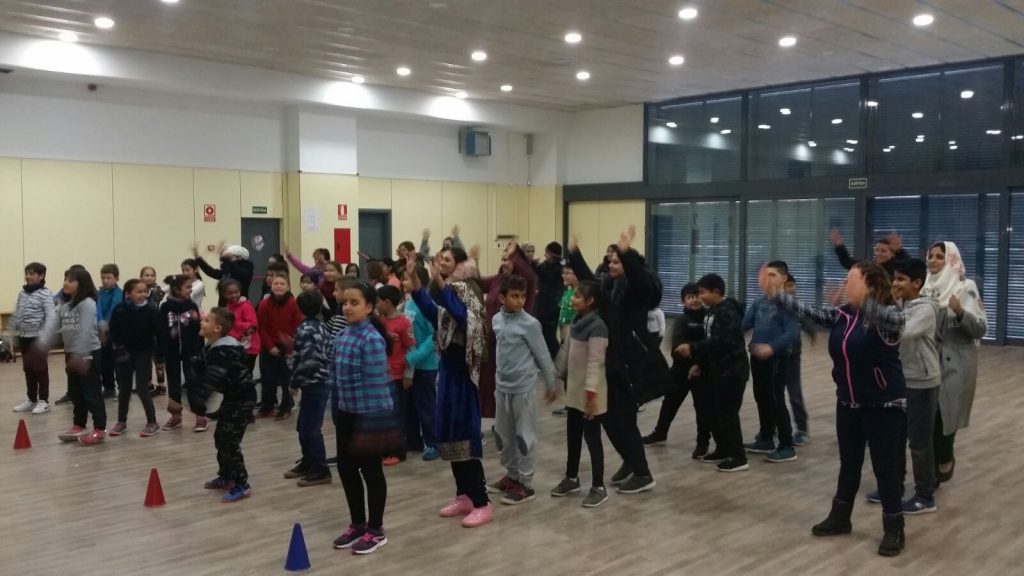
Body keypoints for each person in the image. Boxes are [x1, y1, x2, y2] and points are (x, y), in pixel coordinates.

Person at [771, 261, 908, 557]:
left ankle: (894, 527)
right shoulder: (845, 313)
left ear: (869, 285)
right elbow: (814, 314)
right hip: (848, 402)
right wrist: (778, 295)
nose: (846, 284)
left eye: (851, 280)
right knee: (849, 462)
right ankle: (840, 517)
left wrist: (864, 303)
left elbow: (897, 321)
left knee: (885, 468)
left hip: (884, 404)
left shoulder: (889, 314)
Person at [406, 247, 493, 528]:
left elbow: (463, 317)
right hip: (447, 370)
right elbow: (434, 314)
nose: (441, 262)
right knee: (450, 436)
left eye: (447, 259)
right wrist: (416, 282)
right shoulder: (446, 289)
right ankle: (463, 496)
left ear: (459, 264)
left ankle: (482, 502)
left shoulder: (467, 287)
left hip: (463, 373)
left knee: (465, 436)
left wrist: (439, 284)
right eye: (440, 258)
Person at [565, 229, 657, 493]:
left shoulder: (637, 291)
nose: (611, 264)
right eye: (611, 261)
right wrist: (574, 254)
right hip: (611, 365)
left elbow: (640, 280)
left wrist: (626, 253)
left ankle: (643, 473)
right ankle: (631, 461)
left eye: (617, 262)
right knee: (610, 420)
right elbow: (590, 283)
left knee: (624, 421)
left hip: (628, 366)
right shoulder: (610, 289)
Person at [862, 258, 939, 514]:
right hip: (900, 380)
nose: (895, 283)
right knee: (895, 439)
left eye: (901, 279)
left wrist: (874, 306)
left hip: (922, 382)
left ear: (917, 283)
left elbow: (902, 332)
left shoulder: (926, 309)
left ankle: (925, 496)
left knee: (919, 442)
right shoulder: (900, 307)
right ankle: (894, 487)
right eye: (894, 278)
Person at [330, 281, 397, 555]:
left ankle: (376, 529)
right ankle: (357, 523)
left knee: (371, 472)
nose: (347, 307)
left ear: (369, 307)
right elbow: (336, 376)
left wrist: (373, 422)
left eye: (354, 302)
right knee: (346, 469)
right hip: (346, 413)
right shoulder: (342, 336)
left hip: (370, 416)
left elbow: (378, 384)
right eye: (345, 302)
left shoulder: (371, 339)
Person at [487, 275, 558, 505]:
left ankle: (526, 485)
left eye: (523, 296)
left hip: (523, 390)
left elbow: (543, 355)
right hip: (502, 388)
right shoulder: (497, 320)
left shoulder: (530, 324)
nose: (519, 301)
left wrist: (551, 384)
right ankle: (512, 476)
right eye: (514, 296)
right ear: (502, 298)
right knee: (504, 437)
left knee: (524, 437)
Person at [922, 241, 987, 486]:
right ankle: (929, 476)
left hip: (956, 364)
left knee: (943, 418)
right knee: (928, 419)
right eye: (931, 256)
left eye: (940, 256)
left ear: (951, 259)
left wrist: (960, 313)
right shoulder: (923, 287)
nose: (933, 260)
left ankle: (944, 457)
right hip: (927, 362)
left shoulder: (965, 288)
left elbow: (980, 329)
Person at [677, 273, 750, 473]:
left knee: (728, 414)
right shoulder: (712, 311)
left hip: (732, 371)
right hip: (719, 370)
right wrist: (700, 363)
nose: (700, 297)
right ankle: (724, 449)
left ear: (716, 292)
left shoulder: (727, 312)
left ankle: (738, 457)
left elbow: (721, 342)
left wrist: (693, 347)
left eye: (703, 292)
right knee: (718, 413)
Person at [551, 280, 610, 507]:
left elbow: (596, 362)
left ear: (590, 301)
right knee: (573, 436)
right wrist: (556, 377)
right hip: (575, 393)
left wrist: (591, 395)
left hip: (591, 395)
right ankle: (571, 478)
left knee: (593, 440)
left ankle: (598, 487)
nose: (573, 299)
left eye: (577, 296)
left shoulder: (598, 327)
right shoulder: (577, 321)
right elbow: (566, 351)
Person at [193, 307, 258, 503]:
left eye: (207, 320)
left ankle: (242, 484)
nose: (202, 322)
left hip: (242, 400)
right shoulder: (215, 346)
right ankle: (227, 476)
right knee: (221, 437)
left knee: (230, 442)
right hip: (232, 397)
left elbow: (213, 378)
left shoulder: (223, 351)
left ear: (217, 328)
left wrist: (199, 402)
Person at [643, 283, 713, 459]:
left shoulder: (708, 319)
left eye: (697, 296)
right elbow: (676, 347)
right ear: (683, 301)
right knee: (670, 402)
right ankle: (660, 432)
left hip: (702, 371)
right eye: (690, 297)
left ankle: (703, 442)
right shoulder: (682, 320)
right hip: (680, 369)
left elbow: (711, 345)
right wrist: (690, 361)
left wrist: (698, 363)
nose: (695, 300)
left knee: (702, 407)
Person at [742, 261, 801, 463]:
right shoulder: (759, 302)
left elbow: (791, 333)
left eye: (773, 275)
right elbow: (744, 324)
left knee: (776, 400)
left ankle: (786, 445)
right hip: (757, 357)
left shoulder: (789, 303)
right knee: (761, 397)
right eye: (766, 275)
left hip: (777, 358)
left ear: (784, 278)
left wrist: (771, 348)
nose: (768, 278)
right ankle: (766, 438)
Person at [478, 240, 537, 419]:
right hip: (492, 341)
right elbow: (479, 283)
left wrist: (514, 254)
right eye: (502, 260)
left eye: (508, 260)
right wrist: (472, 263)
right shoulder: (498, 280)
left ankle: (508, 422)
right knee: (490, 384)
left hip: (511, 343)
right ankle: (498, 420)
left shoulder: (524, 282)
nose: (504, 263)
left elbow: (529, 275)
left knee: (506, 386)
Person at [52, 267, 107, 445]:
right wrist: (41, 344)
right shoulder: (65, 305)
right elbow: (53, 326)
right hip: (71, 353)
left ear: (81, 283)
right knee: (75, 392)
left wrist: (81, 354)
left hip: (87, 353)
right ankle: (79, 424)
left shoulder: (88, 303)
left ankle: (100, 429)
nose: (65, 283)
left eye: (71, 280)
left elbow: (86, 331)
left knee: (91, 392)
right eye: (65, 279)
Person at [284, 290, 333, 487]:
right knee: (303, 426)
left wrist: (294, 383)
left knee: (311, 429)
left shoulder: (305, 329)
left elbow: (308, 361)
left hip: (315, 384)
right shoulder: (322, 327)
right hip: (318, 383)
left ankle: (321, 470)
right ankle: (308, 462)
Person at [107, 279, 162, 438]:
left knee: (142, 388)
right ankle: (121, 422)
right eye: (139, 291)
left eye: (145, 291)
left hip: (143, 353)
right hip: (124, 353)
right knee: (124, 388)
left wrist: (159, 354)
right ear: (128, 293)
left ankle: (152, 422)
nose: (143, 294)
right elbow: (113, 330)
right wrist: (118, 347)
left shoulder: (151, 310)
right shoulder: (120, 310)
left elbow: (158, 333)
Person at [158, 275, 205, 432]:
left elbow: (198, 330)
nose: (190, 290)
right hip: (171, 353)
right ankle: (176, 416)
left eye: (191, 287)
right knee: (173, 384)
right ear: (176, 289)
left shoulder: (192, 306)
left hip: (190, 352)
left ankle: (200, 416)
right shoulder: (165, 307)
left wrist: (198, 350)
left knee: (193, 382)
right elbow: (161, 331)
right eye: (187, 287)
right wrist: (160, 352)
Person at [402, 266, 439, 461]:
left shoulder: (428, 305)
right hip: (411, 366)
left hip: (426, 366)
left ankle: (433, 443)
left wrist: (414, 356)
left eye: (406, 279)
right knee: (411, 408)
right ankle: (414, 440)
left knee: (426, 407)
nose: (403, 283)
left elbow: (435, 337)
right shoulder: (408, 303)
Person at [376, 285, 416, 466]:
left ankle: (398, 451)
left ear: (388, 302)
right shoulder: (379, 321)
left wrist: (408, 374)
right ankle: (385, 449)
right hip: (381, 376)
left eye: (378, 302)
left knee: (396, 415)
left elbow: (410, 348)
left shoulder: (404, 323)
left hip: (397, 376)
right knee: (383, 415)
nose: (376, 305)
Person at [11, 262, 56, 415]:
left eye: (32, 274)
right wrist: (12, 330)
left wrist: (44, 339)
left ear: (41, 276)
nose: (28, 276)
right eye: (27, 273)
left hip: (38, 338)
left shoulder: (45, 294)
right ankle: (32, 399)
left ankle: (44, 401)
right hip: (24, 336)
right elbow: (17, 313)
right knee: (28, 369)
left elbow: (51, 317)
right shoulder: (22, 294)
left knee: (40, 369)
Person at [257, 271, 303, 420]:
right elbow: (262, 327)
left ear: (288, 287)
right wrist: (270, 346)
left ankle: (286, 407)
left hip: (287, 347)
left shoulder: (293, 304)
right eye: (276, 283)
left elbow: (297, 326)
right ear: (271, 286)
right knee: (268, 379)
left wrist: (290, 345)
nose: (278, 286)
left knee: (287, 380)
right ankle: (267, 407)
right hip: (268, 346)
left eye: (282, 284)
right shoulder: (264, 304)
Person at [784, 275, 812, 446]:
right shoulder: (768, 305)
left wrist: (812, 333)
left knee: (794, 394)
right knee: (773, 395)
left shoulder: (795, 306)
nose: (793, 289)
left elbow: (805, 321)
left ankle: (802, 429)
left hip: (792, 356)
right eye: (789, 285)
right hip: (774, 357)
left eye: (794, 285)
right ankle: (770, 429)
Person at [552, 265, 579, 417]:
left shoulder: (579, 293)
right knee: (566, 373)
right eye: (563, 273)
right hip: (563, 331)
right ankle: (570, 404)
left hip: (572, 333)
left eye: (568, 273)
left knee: (570, 371)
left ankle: (574, 405)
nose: (564, 276)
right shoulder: (568, 291)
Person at [532, 241, 565, 359]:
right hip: (541, 306)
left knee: (549, 337)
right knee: (540, 335)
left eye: (547, 252)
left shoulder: (559, 269)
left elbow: (548, 277)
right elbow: (535, 272)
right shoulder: (543, 265)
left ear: (552, 255)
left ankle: (557, 359)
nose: (544, 254)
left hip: (552, 307)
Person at [831, 229, 910, 278]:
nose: (879, 254)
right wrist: (839, 247)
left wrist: (899, 250)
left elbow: (910, 267)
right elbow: (848, 263)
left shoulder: (897, 267)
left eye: (883, 251)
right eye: (877, 250)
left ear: (892, 254)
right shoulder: (872, 267)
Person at [220, 279, 260, 377]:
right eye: (230, 293)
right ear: (224, 295)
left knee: (245, 376)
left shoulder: (246, 306)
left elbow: (252, 326)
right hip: (234, 347)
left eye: (236, 292)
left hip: (248, 349)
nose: (234, 295)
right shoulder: (227, 308)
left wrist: (233, 323)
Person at [98, 263, 123, 399]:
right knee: (104, 362)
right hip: (100, 332)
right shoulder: (99, 293)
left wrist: (105, 327)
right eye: (103, 278)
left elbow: (113, 310)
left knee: (117, 362)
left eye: (108, 278)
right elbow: (97, 310)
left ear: (116, 278)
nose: (105, 280)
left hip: (114, 331)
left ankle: (122, 389)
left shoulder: (118, 293)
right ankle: (108, 388)